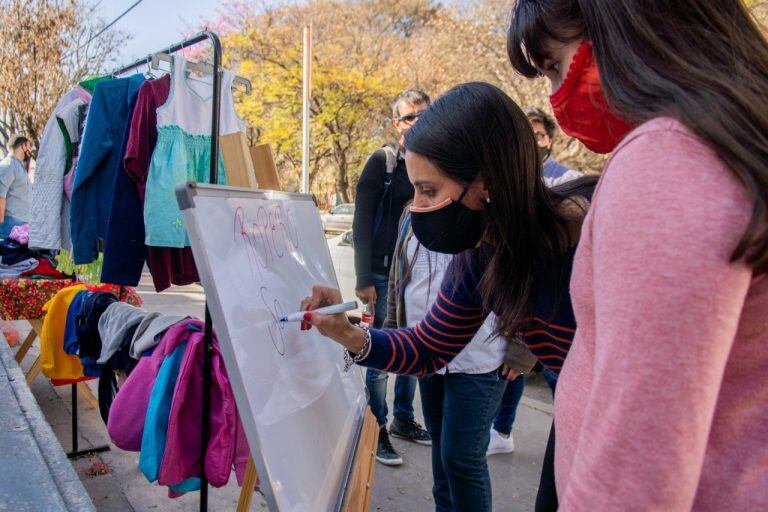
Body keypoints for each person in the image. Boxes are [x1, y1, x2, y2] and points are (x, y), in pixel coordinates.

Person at [506, 0, 768, 509]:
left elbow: (635, 472)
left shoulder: (669, 159)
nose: (556, 95)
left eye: (556, 66)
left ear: (621, 24)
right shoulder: (724, 140)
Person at [301, 82, 598, 511]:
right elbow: (426, 347)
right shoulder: (482, 252)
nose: (417, 207)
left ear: (487, 180)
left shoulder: (594, 230)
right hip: (579, 413)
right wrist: (347, 333)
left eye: (429, 191)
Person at [384, 203, 512, 511]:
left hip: (480, 358)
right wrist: (392, 328)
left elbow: (525, 280)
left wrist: (521, 351)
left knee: (462, 458)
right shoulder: (411, 212)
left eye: (427, 188)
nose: (418, 198)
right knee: (441, 449)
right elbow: (398, 274)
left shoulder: (493, 214)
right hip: (426, 354)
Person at [352, 88, 431, 465]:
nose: (417, 122)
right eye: (409, 117)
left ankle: (403, 419)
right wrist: (363, 277)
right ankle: (376, 428)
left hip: (417, 275)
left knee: (414, 350)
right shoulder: (383, 161)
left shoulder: (434, 162)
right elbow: (362, 220)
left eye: (423, 114)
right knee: (380, 356)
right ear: (397, 123)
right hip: (382, 275)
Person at [525, 107, 582, 187]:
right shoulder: (508, 175)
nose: (531, 142)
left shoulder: (571, 181)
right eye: (525, 136)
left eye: (538, 136)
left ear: (549, 141)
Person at [0, 135, 32, 237]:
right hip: (10, 224)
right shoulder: (8, 166)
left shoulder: (19, 166)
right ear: (22, 146)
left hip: (23, 224)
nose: (30, 150)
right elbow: (1, 195)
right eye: (28, 146)